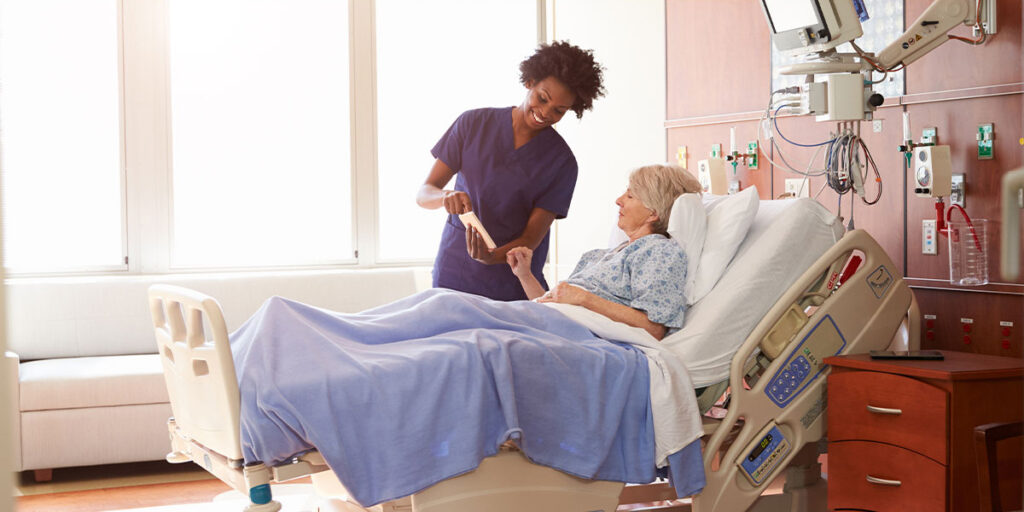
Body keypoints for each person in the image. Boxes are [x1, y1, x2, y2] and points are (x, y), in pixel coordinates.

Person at [416, 41, 606, 301]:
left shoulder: (562, 163)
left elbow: (530, 238)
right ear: (530, 81)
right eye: (542, 98)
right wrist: (445, 197)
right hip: (455, 269)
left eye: (559, 111)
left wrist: (491, 256)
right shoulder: (472, 124)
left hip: (513, 279)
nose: (545, 113)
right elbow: (425, 193)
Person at [506, 164, 702, 340]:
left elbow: (653, 329)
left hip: (576, 338)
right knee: (476, 316)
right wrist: (525, 275)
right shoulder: (599, 256)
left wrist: (583, 298)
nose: (618, 200)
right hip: (548, 323)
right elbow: (552, 304)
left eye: (630, 195)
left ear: (653, 213)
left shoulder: (659, 252)